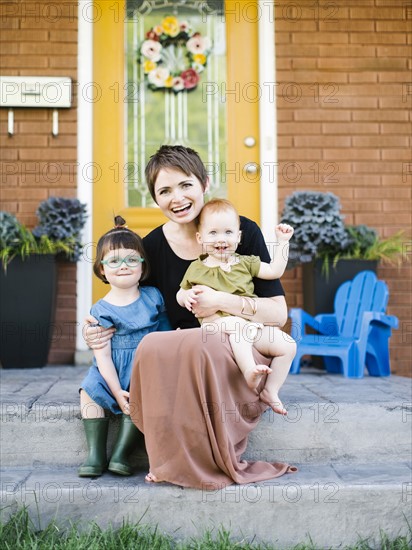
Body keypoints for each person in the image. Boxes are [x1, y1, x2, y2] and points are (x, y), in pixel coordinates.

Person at [85, 145, 297, 489]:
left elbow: (278, 313)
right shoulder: (150, 247)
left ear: (204, 183)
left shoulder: (239, 231)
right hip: (184, 347)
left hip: (240, 341)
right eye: (164, 191)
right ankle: (167, 455)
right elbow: (126, 302)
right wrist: (94, 327)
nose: (177, 198)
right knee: (154, 345)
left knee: (209, 345)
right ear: (155, 199)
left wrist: (220, 301)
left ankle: (205, 457)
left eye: (185, 185)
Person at [177, 198, 295, 416]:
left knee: (287, 344)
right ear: (200, 238)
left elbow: (275, 270)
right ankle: (249, 370)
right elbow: (180, 291)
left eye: (228, 232)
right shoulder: (197, 268)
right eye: (213, 233)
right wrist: (186, 297)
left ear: (239, 237)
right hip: (215, 327)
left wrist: (283, 242)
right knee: (238, 326)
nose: (221, 239)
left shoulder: (246, 262)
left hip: (249, 328)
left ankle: (271, 390)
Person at [78, 216, 171, 477]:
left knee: (141, 395)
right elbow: (103, 357)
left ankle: (121, 453)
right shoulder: (100, 310)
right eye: (114, 261)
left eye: (132, 259)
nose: (123, 266)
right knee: (88, 391)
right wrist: (117, 391)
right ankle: (95, 454)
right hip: (110, 369)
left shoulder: (153, 297)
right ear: (101, 270)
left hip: (144, 365)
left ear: (143, 266)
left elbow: (164, 334)